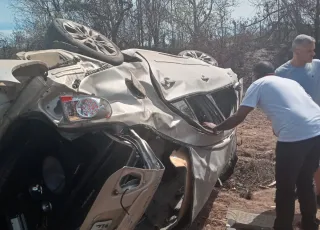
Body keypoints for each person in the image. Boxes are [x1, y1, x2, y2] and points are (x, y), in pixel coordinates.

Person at [204, 61, 320, 230]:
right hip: (317, 132)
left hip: (295, 138)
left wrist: (217, 127)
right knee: (305, 180)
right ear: (272, 72)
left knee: (285, 188)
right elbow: (298, 107)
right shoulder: (290, 82)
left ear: (255, 74)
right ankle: (310, 224)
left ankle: (282, 227)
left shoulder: (258, 84)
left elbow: (239, 116)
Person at [275, 34, 320, 203]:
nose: (313, 54)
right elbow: (278, 101)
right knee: (296, 163)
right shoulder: (282, 73)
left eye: (313, 50)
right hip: (294, 127)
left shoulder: (317, 66)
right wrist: (277, 124)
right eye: (309, 51)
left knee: (316, 163)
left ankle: (314, 198)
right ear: (297, 51)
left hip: (317, 123)